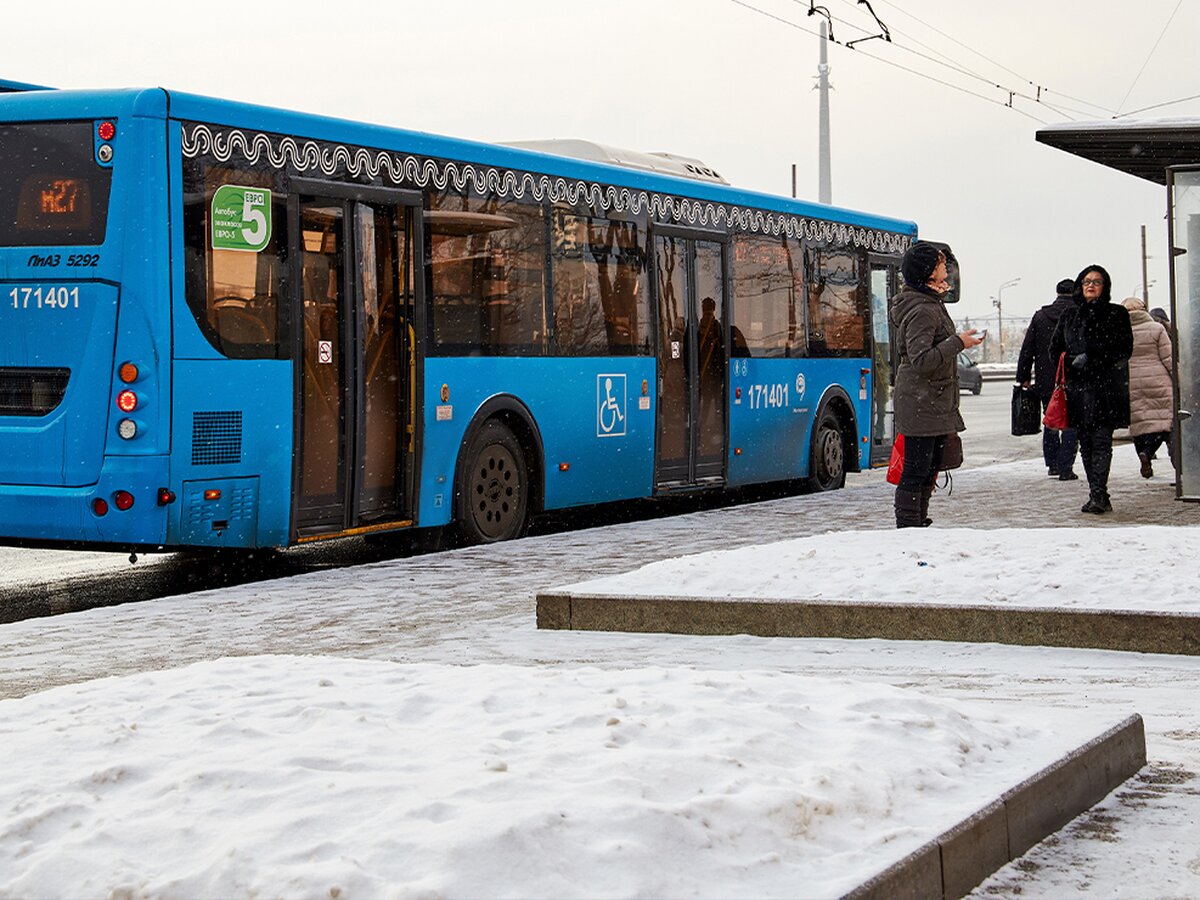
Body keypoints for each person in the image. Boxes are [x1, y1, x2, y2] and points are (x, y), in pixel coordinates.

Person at [889, 242, 983, 528]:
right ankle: (908, 527)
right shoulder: (922, 310)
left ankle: (919, 522)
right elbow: (921, 359)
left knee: (929, 467)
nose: (947, 272)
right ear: (928, 273)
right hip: (921, 401)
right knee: (917, 469)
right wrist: (959, 343)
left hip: (930, 401)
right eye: (942, 266)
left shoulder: (930, 304)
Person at [1049, 265, 1133, 514]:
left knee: (1101, 442)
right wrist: (1071, 358)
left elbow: (1124, 350)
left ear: (1105, 286)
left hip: (1106, 390)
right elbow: (1055, 350)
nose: (1091, 285)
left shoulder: (1117, 314)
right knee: (1085, 443)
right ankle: (1097, 493)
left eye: (1097, 281)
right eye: (1086, 281)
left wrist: (1093, 357)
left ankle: (1099, 493)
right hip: (1077, 390)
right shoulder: (1069, 316)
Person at [1016, 278, 1080, 480]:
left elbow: (1028, 349)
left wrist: (1023, 376)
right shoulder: (1080, 314)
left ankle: (1052, 464)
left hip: (1047, 379)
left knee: (1051, 419)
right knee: (1071, 422)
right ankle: (1065, 467)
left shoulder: (1041, 316)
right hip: (1075, 378)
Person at [1120, 296, 1174, 478]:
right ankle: (1149, 452)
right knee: (1164, 424)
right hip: (1158, 381)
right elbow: (1169, 358)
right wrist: (1179, 379)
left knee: (1139, 425)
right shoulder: (1157, 328)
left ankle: (1144, 455)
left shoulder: (1120, 333)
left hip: (1132, 382)